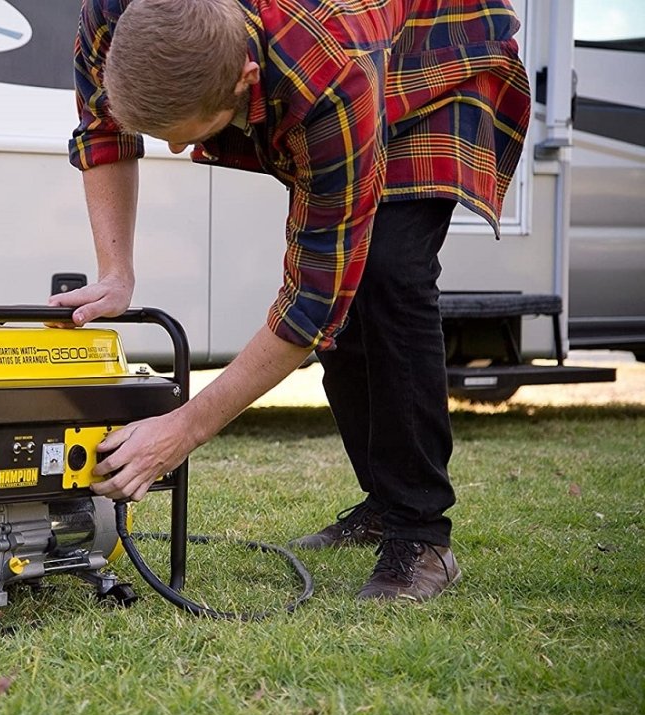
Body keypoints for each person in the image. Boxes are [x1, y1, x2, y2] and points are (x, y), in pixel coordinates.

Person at [51, 0, 530, 602]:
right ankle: (384, 504)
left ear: (245, 78)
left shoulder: (329, 74)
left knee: (388, 274)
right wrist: (116, 273)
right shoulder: (112, 13)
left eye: (183, 133)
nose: (172, 149)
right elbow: (102, 130)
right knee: (355, 292)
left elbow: (311, 303)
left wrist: (183, 429)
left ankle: (421, 533)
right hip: (350, 48)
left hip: (437, 54)